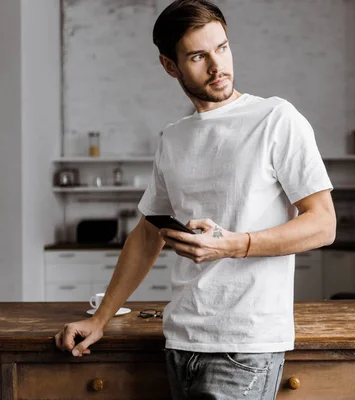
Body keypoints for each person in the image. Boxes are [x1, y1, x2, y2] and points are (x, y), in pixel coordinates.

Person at [54, 0, 336, 398]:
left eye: (222, 48)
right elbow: (148, 234)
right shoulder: (174, 137)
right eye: (199, 56)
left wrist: (232, 245)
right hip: (181, 339)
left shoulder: (276, 119)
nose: (217, 66)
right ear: (170, 66)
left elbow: (323, 223)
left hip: (245, 343)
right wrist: (100, 319)